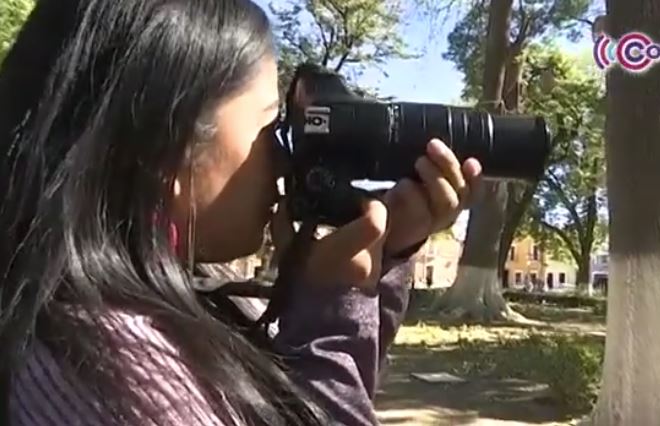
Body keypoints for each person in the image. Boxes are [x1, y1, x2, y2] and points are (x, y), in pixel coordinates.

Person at [0, 1, 483, 425]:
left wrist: (384, 258)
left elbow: (315, 392)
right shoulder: (106, 365)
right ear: (167, 152)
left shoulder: (162, 301)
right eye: (271, 130)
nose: (284, 160)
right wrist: (334, 313)